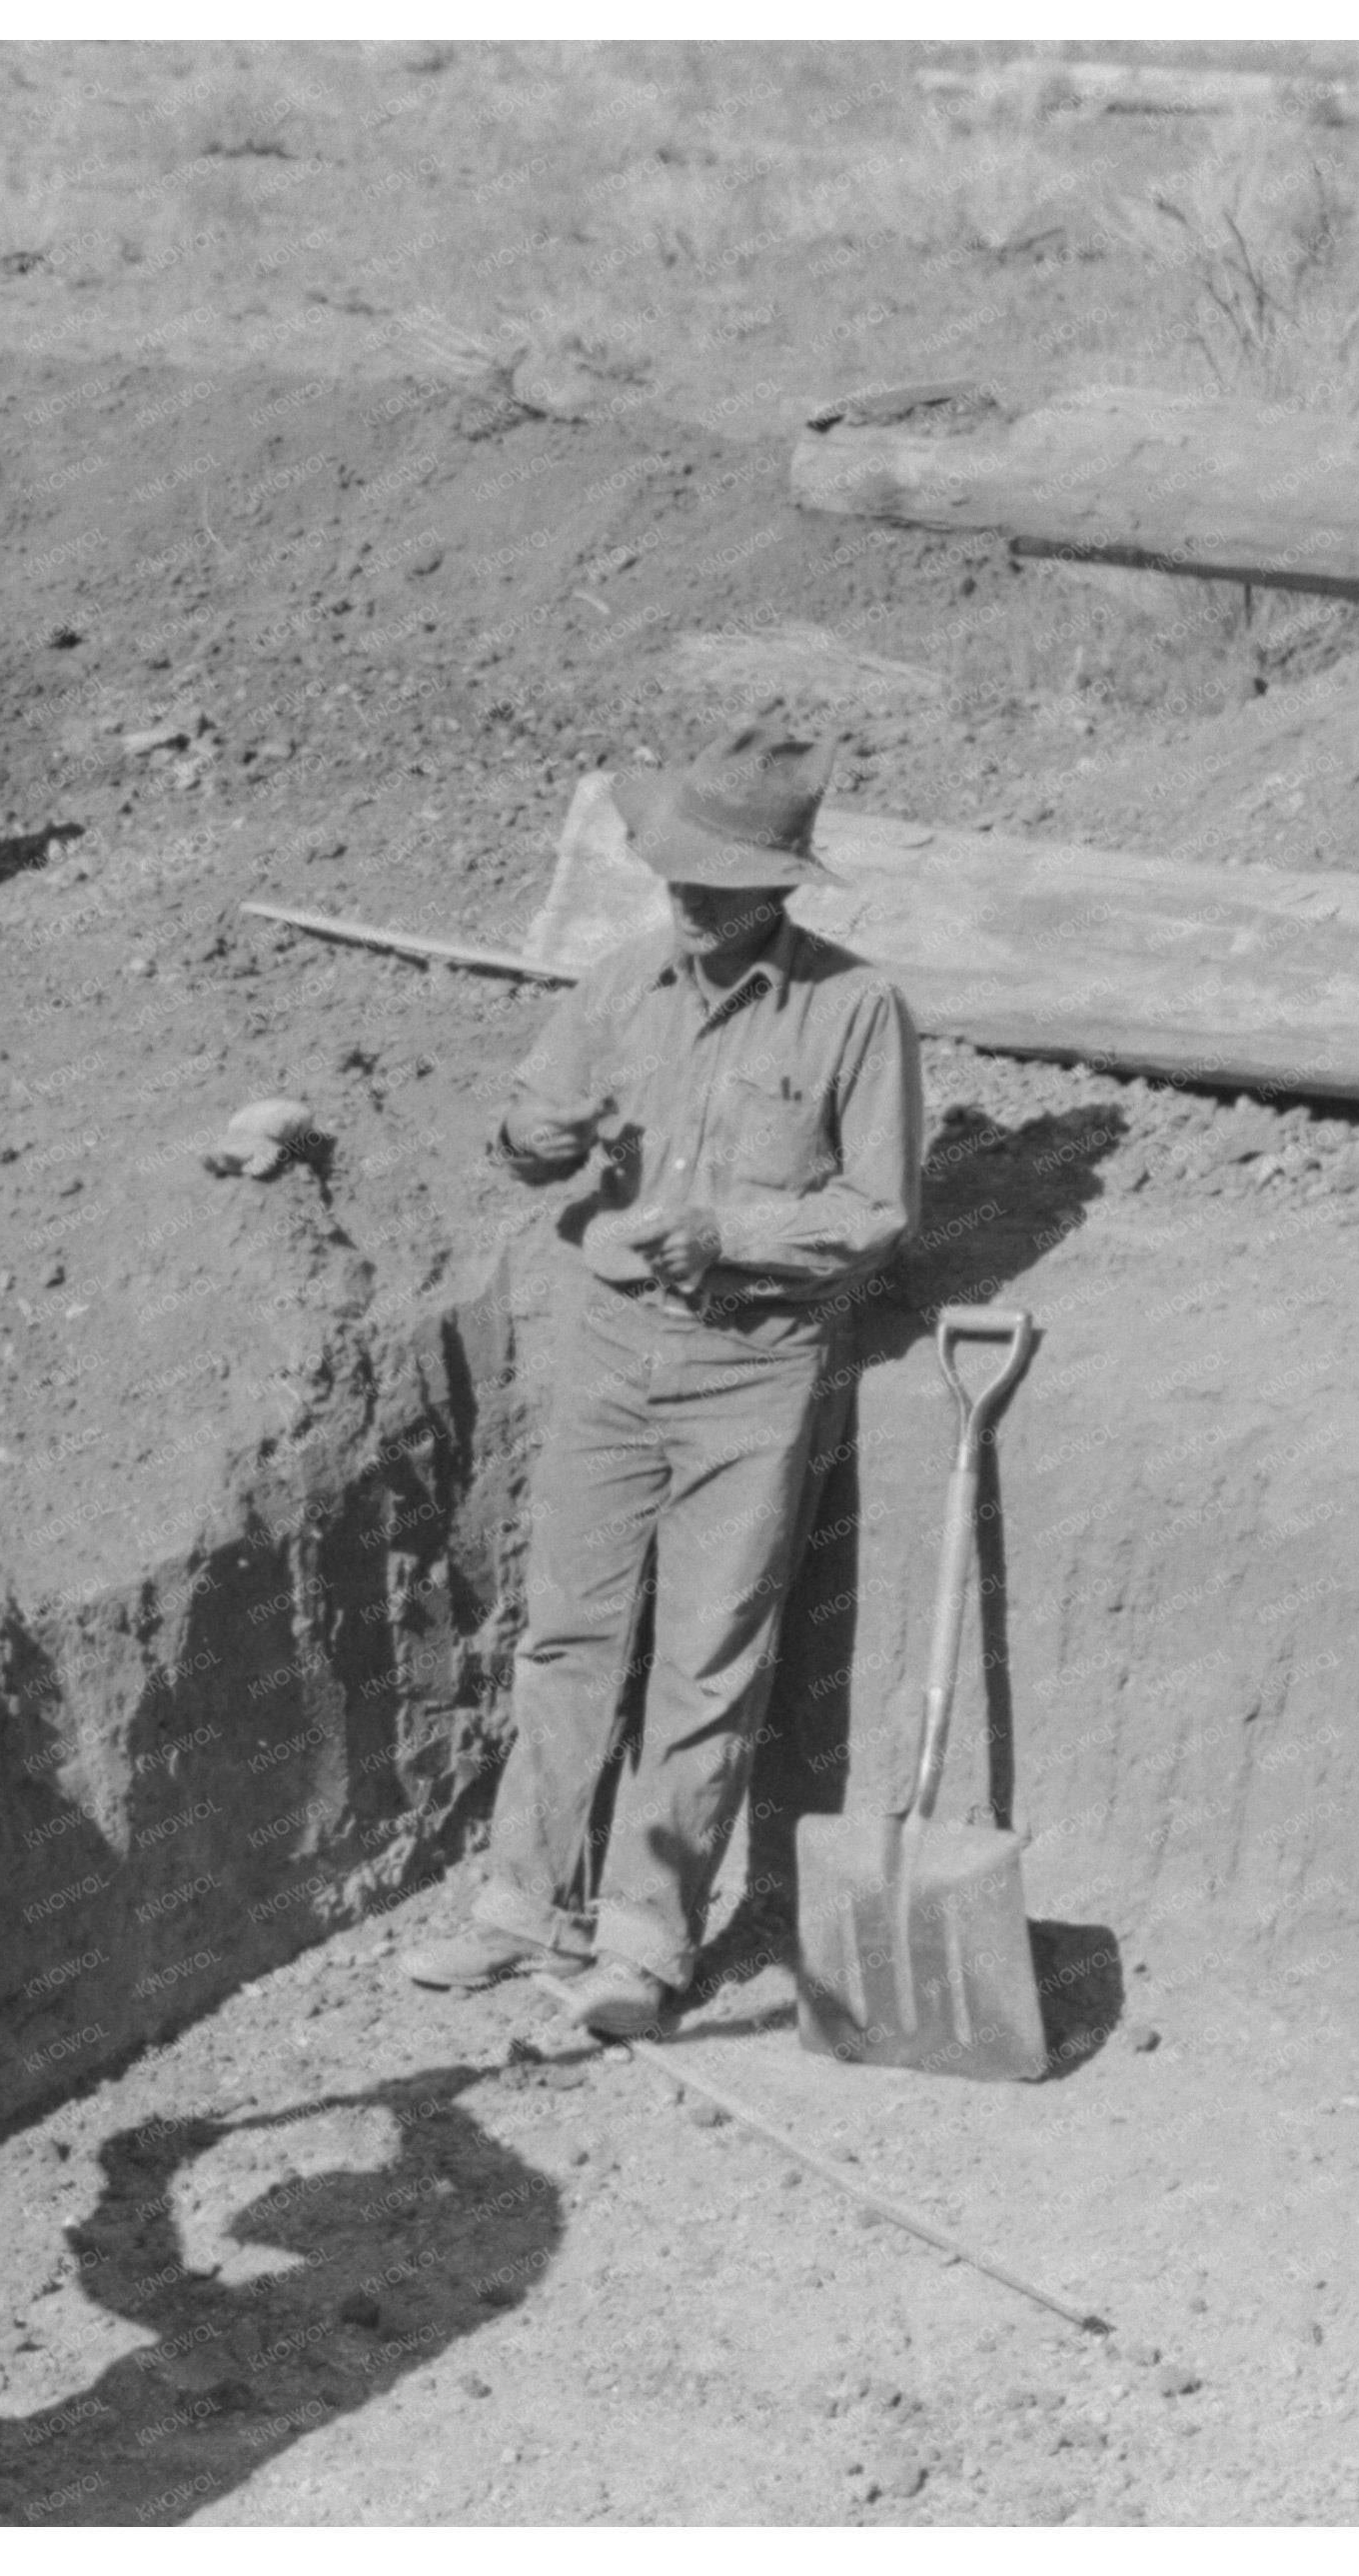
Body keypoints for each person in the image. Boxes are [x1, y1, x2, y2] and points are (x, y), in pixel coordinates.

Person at [400, 723, 924, 2036]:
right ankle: (523, 1905)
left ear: (779, 888)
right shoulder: (615, 986)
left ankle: (643, 1941)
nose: (687, 899)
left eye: (717, 882)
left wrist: (733, 1234)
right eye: (674, 873)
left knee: (703, 1658)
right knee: (567, 1632)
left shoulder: (854, 1010)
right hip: (611, 1348)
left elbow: (877, 1211)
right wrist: (533, 1139)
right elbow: (527, 1140)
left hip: (754, 1366)